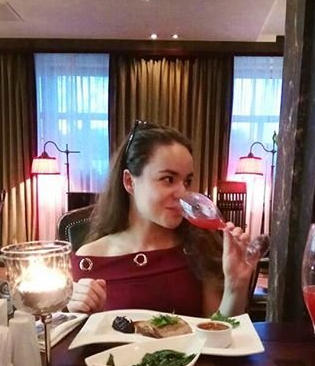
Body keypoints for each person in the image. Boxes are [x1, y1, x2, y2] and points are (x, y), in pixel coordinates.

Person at [66, 121, 256, 317]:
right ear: (129, 182)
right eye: (168, 179)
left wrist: (235, 286)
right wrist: (77, 312)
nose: (182, 192)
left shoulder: (200, 247)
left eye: (187, 181)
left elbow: (218, 329)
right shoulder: (90, 259)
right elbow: (80, 332)